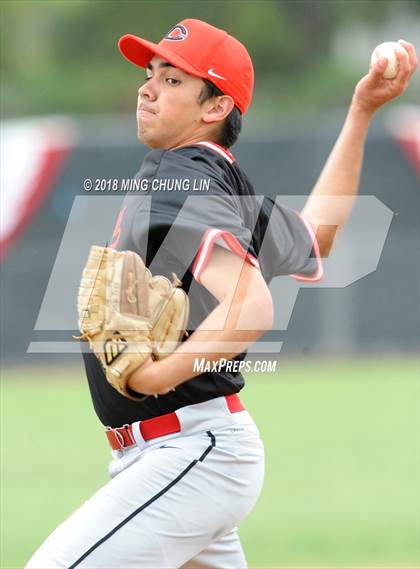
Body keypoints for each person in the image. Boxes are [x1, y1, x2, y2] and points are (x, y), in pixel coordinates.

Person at [26, 18, 416, 569]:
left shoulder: (185, 177)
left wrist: (156, 376)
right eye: (151, 72)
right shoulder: (215, 177)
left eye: (174, 79)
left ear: (215, 108)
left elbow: (251, 306)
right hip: (187, 453)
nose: (148, 86)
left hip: (190, 453)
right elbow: (317, 235)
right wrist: (362, 111)